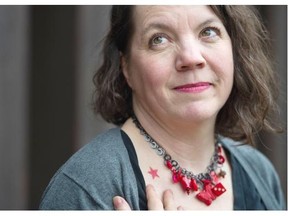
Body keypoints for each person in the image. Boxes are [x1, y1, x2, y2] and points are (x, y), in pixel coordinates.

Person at [39, 5, 286, 210]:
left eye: (208, 31)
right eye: (159, 39)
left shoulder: (258, 171)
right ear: (126, 68)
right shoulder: (88, 185)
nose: (191, 57)